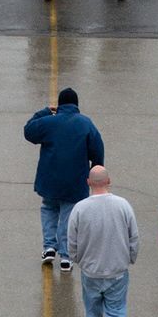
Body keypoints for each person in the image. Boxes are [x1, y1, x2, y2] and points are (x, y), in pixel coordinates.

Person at [67, 166, 139, 317]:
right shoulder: (123, 206)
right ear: (109, 181)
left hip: (91, 271)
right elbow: (133, 237)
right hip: (117, 270)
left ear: (88, 182)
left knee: (93, 311)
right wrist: (130, 258)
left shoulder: (80, 209)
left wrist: (77, 259)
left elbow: (71, 240)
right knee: (116, 310)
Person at [23, 87, 104, 265]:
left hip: (49, 179)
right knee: (69, 215)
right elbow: (97, 150)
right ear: (76, 104)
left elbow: (28, 131)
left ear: (59, 105)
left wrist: (44, 112)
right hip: (75, 182)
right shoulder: (85, 123)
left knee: (49, 208)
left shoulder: (48, 122)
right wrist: (96, 171)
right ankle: (66, 256)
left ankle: (49, 247)